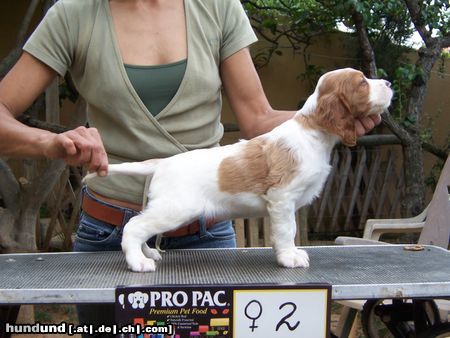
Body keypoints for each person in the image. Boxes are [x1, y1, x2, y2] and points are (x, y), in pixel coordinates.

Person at [0, 0, 380, 334]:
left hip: (208, 238)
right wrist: (48, 142)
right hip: (106, 235)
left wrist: (329, 122)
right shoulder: (73, 15)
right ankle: (137, 236)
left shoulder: (217, 7)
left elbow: (258, 117)